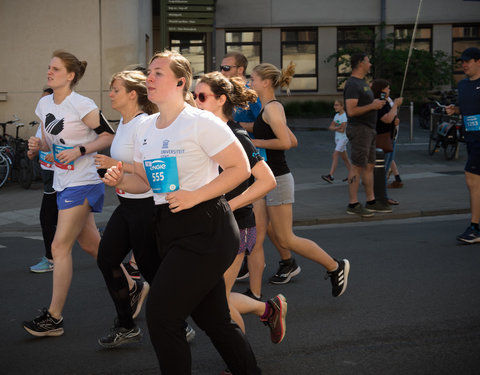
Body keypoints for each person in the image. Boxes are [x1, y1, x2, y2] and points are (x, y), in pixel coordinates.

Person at [102, 50, 261, 375]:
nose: (150, 77)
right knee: (214, 320)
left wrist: (195, 196)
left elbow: (240, 168)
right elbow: (150, 183)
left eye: (158, 72)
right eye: (149, 72)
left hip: (208, 229)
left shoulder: (199, 121)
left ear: (180, 82)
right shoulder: (147, 128)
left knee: (162, 316)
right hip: (170, 228)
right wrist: (120, 182)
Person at [24, 50, 114, 336]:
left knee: (59, 247)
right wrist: (37, 147)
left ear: (71, 75)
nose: (49, 72)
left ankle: (54, 318)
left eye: (56, 69)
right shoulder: (44, 103)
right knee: (92, 246)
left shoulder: (81, 104)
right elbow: (50, 146)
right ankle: (133, 286)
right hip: (62, 181)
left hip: (85, 180)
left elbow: (109, 135)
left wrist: (81, 149)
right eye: (49, 68)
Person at [194, 71, 287, 345]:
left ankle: (239, 361)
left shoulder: (235, 135)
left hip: (234, 227)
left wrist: (227, 206)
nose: (195, 102)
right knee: (209, 297)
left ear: (221, 100)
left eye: (201, 96)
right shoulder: (203, 133)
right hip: (206, 227)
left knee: (216, 303)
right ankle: (267, 309)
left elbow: (267, 180)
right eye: (193, 96)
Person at [250, 62, 350, 296]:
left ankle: (335, 266)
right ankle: (254, 294)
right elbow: (292, 139)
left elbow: (285, 144)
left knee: (286, 239)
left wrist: (254, 142)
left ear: (265, 82)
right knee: (258, 236)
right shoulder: (268, 108)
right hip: (264, 179)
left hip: (278, 179)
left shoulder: (272, 108)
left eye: (252, 78)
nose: (249, 82)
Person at [94, 70, 159, 348]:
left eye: (115, 89)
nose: (110, 94)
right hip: (126, 205)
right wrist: (111, 174)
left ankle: (179, 325)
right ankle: (126, 324)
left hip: (145, 207)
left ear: (132, 94)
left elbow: (148, 178)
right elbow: (122, 171)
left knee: (153, 270)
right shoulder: (124, 121)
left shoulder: (145, 124)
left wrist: (115, 172)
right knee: (106, 258)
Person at [220, 51, 266, 299]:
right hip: (234, 166)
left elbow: (263, 123)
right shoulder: (226, 90)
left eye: (227, 68)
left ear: (240, 69)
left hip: (256, 165)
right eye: (221, 67)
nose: (223, 70)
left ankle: (257, 297)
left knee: (255, 238)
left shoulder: (248, 93)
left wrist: (233, 126)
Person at [344, 53, 389, 218]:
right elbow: (351, 110)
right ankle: (353, 203)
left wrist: (376, 104)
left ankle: (371, 201)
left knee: (369, 165)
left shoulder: (362, 83)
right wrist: (373, 105)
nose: (370, 64)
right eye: (368, 61)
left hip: (369, 129)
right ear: (361, 63)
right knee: (357, 165)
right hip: (359, 129)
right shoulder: (353, 84)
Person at [446, 47, 480, 244]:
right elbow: (468, 109)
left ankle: (475, 227)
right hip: (470, 138)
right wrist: (455, 109)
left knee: (471, 179)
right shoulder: (463, 85)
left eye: (468, 61)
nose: (464, 65)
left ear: (479, 62)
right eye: (462, 62)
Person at [28, 87, 57, 273]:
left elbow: (65, 145)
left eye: (46, 100)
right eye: (41, 101)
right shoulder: (42, 123)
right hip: (47, 174)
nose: (42, 104)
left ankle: (51, 259)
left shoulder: (58, 123)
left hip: (59, 176)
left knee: (46, 217)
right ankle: (106, 251)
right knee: (71, 223)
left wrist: (53, 152)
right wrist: (33, 150)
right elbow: (34, 152)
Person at [371, 79, 403, 206]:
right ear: (382, 89)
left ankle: (381, 196)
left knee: (384, 169)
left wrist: (395, 120)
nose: (389, 90)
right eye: (388, 88)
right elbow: (386, 118)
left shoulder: (384, 102)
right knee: (381, 170)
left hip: (389, 137)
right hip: (382, 139)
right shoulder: (379, 103)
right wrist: (395, 105)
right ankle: (381, 197)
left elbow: (391, 118)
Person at [322, 99, 351, 183]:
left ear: (342, 106)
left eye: (337, 105)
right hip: (337, 139)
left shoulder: (345, 116)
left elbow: (342, 130)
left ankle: (330, 176)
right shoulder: (336, 116)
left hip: (343, 138)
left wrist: (335, 128)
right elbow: (330, 127)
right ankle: (352, 175)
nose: (335, 107)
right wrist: (337, 128)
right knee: (345, 158)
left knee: (335, 155)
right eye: (335, 105)